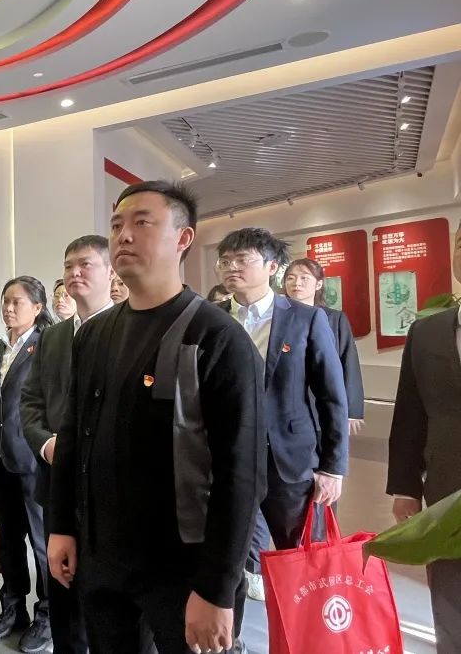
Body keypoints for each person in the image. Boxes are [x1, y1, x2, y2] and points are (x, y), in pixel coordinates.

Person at [47, 181, 265, 654]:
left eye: (142, 222)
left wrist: (217, 587)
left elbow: (242, 474)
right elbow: (73, 433)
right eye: (117, 225)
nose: (124, 235)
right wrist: (61, 524)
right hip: (103, 554)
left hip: (184, 565)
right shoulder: (94, 335)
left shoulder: (218, 338)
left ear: (183, 238)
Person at [216, 229, 349, 604]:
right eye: (225, 261)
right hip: (230, 460)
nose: (231, 267)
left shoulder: (305, 318)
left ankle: (315, 625)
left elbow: (331, 396)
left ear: (272, 267)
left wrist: (333, 468)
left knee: (306, 560)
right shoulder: (212, 320)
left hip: (290, 462)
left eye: (242, 260)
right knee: (236, 561)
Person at [19, 236, 117, 654]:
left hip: (111, 491)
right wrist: (46, 445)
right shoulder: (53, 337)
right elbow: (30, 401)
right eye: (68, 265)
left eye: (86, 264)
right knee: (62, 587)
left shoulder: (129, 329)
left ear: (111, 272)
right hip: (57, 484)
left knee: (108, 600)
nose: (74, 273)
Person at [388, 220, 461, 652]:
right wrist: (405, 488)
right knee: (450, 593)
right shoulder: (428, 331)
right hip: (446, 487)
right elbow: (410, 414)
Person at [0, 275, 54, 653]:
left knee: (41, 542)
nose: (9, 308)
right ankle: (13, 607)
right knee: (9, 540)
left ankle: (48, 615)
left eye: (18, 302)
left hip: (32, 459)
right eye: (5, 301)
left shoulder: (46, 346)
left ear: (37, 308)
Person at [283, 258, 365, 432]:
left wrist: (352, 410)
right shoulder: (277, 318)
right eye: (290, 278)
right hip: (287, 402)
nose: (296, 283)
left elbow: (348, 360)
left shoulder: (334, 318)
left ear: (318, 284)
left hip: (323, 399)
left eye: (304, 277)